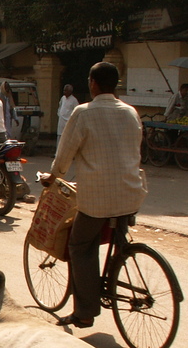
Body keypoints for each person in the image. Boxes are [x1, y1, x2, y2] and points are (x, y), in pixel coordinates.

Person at [41, 62, 146, 329]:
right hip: (131, 193)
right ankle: (115, 266)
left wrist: (52, 176)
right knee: (115, 236)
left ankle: (85, 312)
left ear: (93, 83)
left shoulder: (83, 113)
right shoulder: (131, 113)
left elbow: (64, 155)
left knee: (80, 245)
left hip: (97, 199)